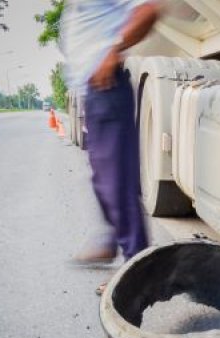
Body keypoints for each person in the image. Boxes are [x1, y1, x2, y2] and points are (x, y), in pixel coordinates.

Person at [61, 0, 162, 294]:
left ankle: (138, 275)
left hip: (107, 85)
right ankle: (110, 241)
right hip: (94, 92)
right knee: (104, 179)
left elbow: (148, 9)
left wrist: (112, 49)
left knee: (117, 185)